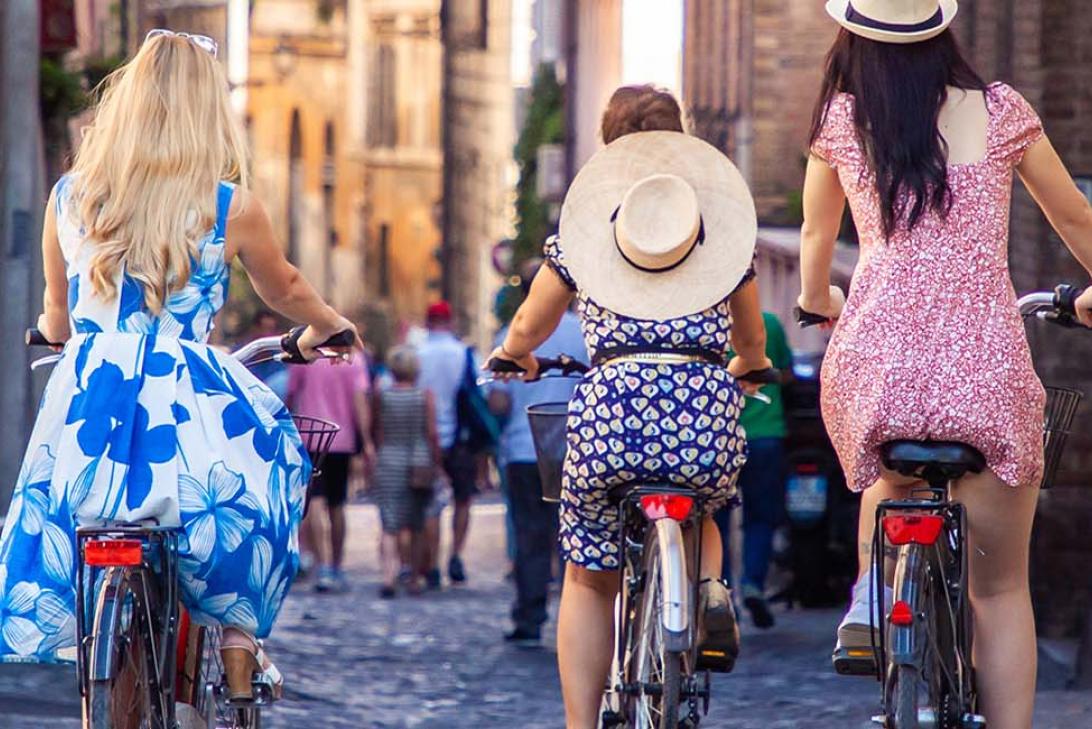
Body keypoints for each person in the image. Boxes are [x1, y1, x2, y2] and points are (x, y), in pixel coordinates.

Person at [0, 30, 358, 699]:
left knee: (70, 517)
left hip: (90, 402)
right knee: (260, 481)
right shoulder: (229, 206)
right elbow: (284, 287)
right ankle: (239, 641)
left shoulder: (70, 197)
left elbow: (56, 315)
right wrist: (328, 324)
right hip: (183, 398)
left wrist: (54, 332)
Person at [801, 3, 1092, 726]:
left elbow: (814, 234)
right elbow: (1075, 219)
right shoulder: (1002, 112)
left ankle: (873, 588)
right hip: (986, 372)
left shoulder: (842, 120)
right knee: (1000, 591)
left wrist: (818, 298)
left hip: (879, 366)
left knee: (886, 474)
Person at [488, 85, 771, 727]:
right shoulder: (720, 235)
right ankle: (707, 588)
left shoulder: (584, 236)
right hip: (702, 417)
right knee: (705, 504)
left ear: (609, 151)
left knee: (587, 579)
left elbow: (529, 325)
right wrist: (751, 365)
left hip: (610, 420)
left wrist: (512, 354)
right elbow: (751, 340)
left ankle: (580, 723)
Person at [489, 258, 588, 648]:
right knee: (577, 540)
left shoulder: (509, 335)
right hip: (576, 450)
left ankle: (529, 619)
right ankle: (577, 620)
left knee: (530, 537)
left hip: (523, 449)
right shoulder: (585, 332)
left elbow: (498, 402)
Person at [712, 310, 793, 629]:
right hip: (765, 435)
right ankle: (753, 584)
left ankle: (720, 592)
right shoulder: (769, 323)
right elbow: (785, 373)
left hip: (718, 437)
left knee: (715, 521)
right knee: (760, 517)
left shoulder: (710, 322)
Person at [287, 350, 374, 593]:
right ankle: (336, 564)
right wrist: (366, 440)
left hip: (311, 436)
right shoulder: (353, 359)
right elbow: (360, 401)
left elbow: (291, 394)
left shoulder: (305, 355)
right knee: (337, 503)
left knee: (314, 500)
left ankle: (322, 563)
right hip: (342, 439)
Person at [416, 301, 481, 585]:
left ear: (428, 322)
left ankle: (431, 563)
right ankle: (456, 554)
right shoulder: (464, 353)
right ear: (450, 321)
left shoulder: (417, 354)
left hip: (426, 437)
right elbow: (479, 391)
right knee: (462, 499)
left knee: (431, 505)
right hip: (460, 438)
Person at [372, 346, 442, 597]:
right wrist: (437, 462)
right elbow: (431, 432)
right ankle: (414, 577)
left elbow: (378, 429)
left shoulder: (383, 396)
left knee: (389, 524)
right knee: (416, 522)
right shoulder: (425, 397)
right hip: (418, 461)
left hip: (389, 460)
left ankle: (388, 576)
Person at [248, 309, 289, 401]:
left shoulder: (283, 355)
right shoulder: (246, 351)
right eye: (264, 329)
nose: (267, 335)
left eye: (271, 330)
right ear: (255, 329)